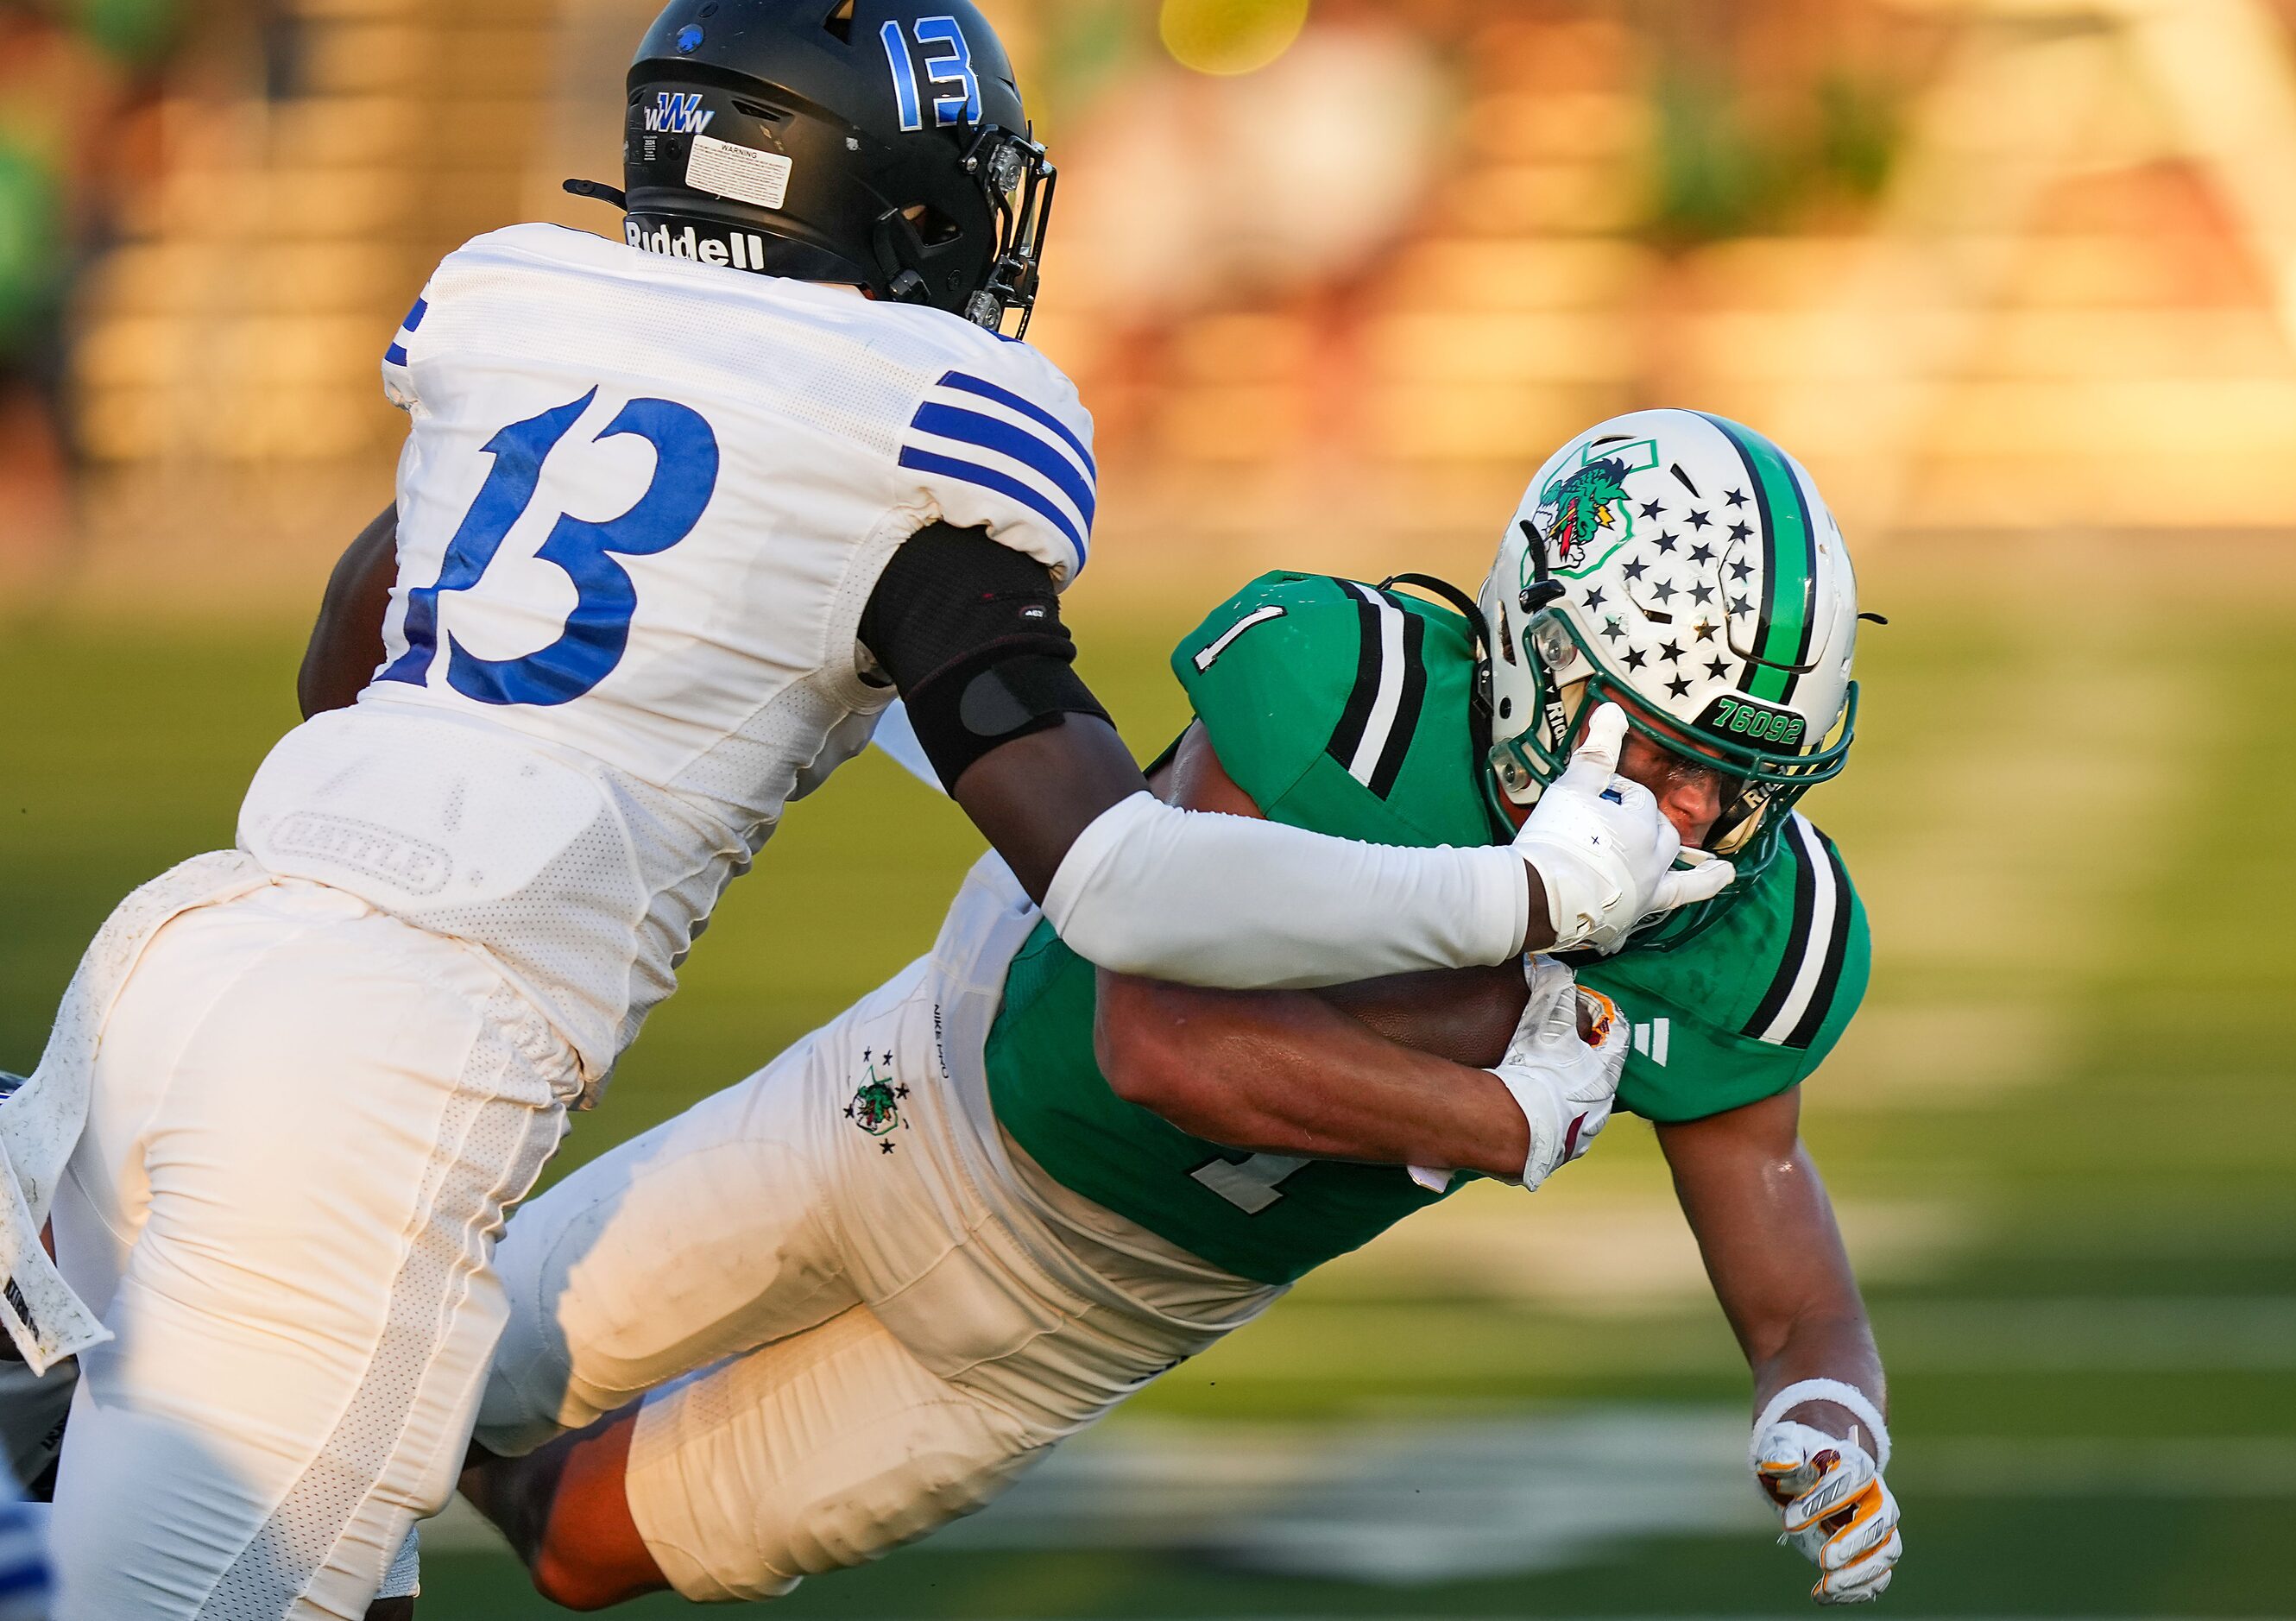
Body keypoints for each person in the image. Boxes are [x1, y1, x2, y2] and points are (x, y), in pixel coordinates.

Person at [0, 8, 1720, 1618]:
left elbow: (344, 669)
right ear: (881, 204)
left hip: (181, 969)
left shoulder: (522, 312)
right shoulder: (915, 435)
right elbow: (1117, 889)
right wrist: (1521, 900)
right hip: (381, 1084)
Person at [459, 409, 1902, 1609]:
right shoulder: (1355, 696)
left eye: (1746, 776)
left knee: (579, 1548)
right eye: (1664, 756)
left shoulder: (1749, 925)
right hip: (920, 1106)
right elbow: (1155, 1040)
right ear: (1547, 662)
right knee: (452, 1366)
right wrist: (1494, 1114)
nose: (1704, 815)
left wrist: (1824, 1409)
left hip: (1081, 1328)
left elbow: (1789, 1270)